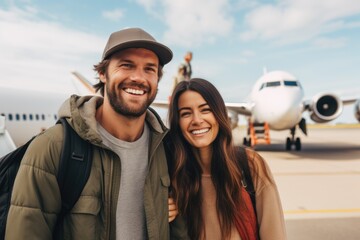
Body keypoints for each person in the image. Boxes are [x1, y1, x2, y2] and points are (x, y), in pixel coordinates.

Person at [5, 27, 188, 239]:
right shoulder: (53, 148)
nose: (139, 77)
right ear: (102, 73)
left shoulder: (167, 149)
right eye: (126, 65)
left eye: (150, 69)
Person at [167, 78, 287, 240]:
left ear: (219, 115)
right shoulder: (173, 174)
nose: (197, 120)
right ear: (177, 123)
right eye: (186, 113)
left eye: (205, 110)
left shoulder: (249, 165)